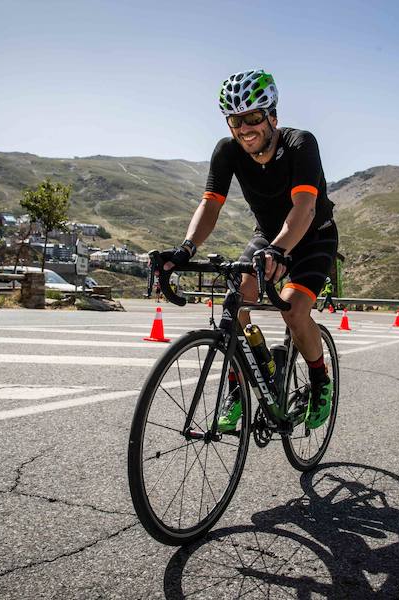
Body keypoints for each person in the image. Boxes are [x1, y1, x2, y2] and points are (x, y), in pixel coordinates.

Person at [160, 69, 338, 430]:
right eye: (235, 120)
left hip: (312, 235)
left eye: (253, 117)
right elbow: (210, 205)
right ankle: (243, 382)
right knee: (235, 298)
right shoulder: (228, 151)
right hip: (268, 236)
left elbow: (303, 208)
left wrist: (278, 251)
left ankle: (320, 382)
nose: (245, 128)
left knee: (294, 309)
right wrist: (185, 249)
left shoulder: (301, 144)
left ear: (272, 115)